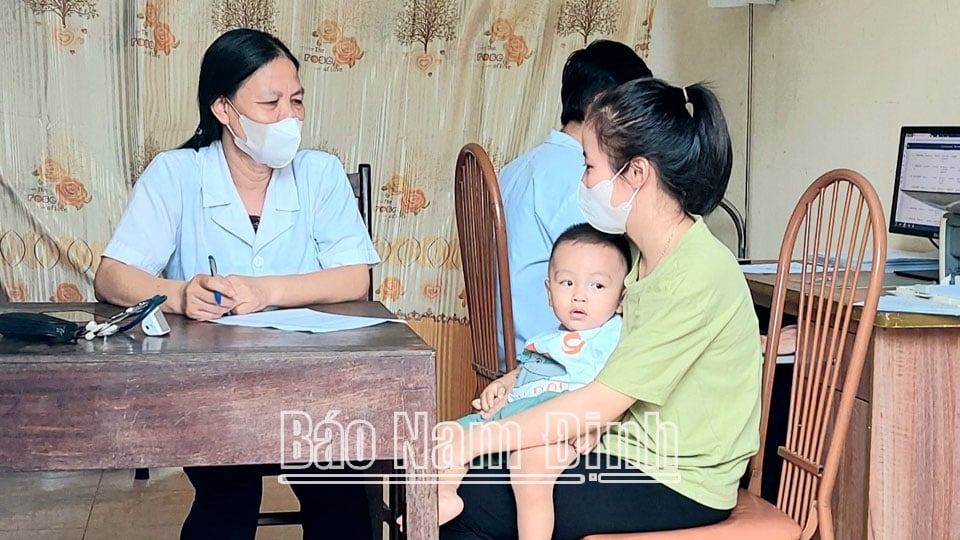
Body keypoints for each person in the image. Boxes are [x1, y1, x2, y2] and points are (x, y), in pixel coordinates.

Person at [440, 77, 762, 540]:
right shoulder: (633, 255)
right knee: (460, 470)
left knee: (472, 496)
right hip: (621, 445)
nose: (583, 181)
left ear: (636, 174)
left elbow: (597, 404)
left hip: (677, 476)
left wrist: (477, 438)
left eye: (589, 166)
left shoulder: (696, 272)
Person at [94, 29, 380, 539]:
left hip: (314, 385)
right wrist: (180, 295)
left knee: (340, 489)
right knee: (227, 492)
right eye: (270, 103)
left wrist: (263, 291)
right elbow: (112, 275)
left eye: (296, 101)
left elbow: (355, 277)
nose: (289, 117)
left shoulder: (321, 173)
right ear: (224, 110)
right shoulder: (177, 174)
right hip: (213, 388)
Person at [440, 223, 631, 534]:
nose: (579, 296)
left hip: (560, 427)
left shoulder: (612, 336)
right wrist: (504, 383)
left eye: (597, 286)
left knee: (530, 470)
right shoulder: (547, 339)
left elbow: (619, 389)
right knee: (444, 434)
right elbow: (529, 369)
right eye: (567, 282)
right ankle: (445, 493)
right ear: (549, 291)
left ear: (621, 299)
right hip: (516, 417)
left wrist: (597, 427)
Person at [497, 40, 653, 365]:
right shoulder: (580, 178)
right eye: (633, 108)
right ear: (600, 105)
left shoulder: (516, 168)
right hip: (556, 357)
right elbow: (616, 275)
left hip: (503, 350)